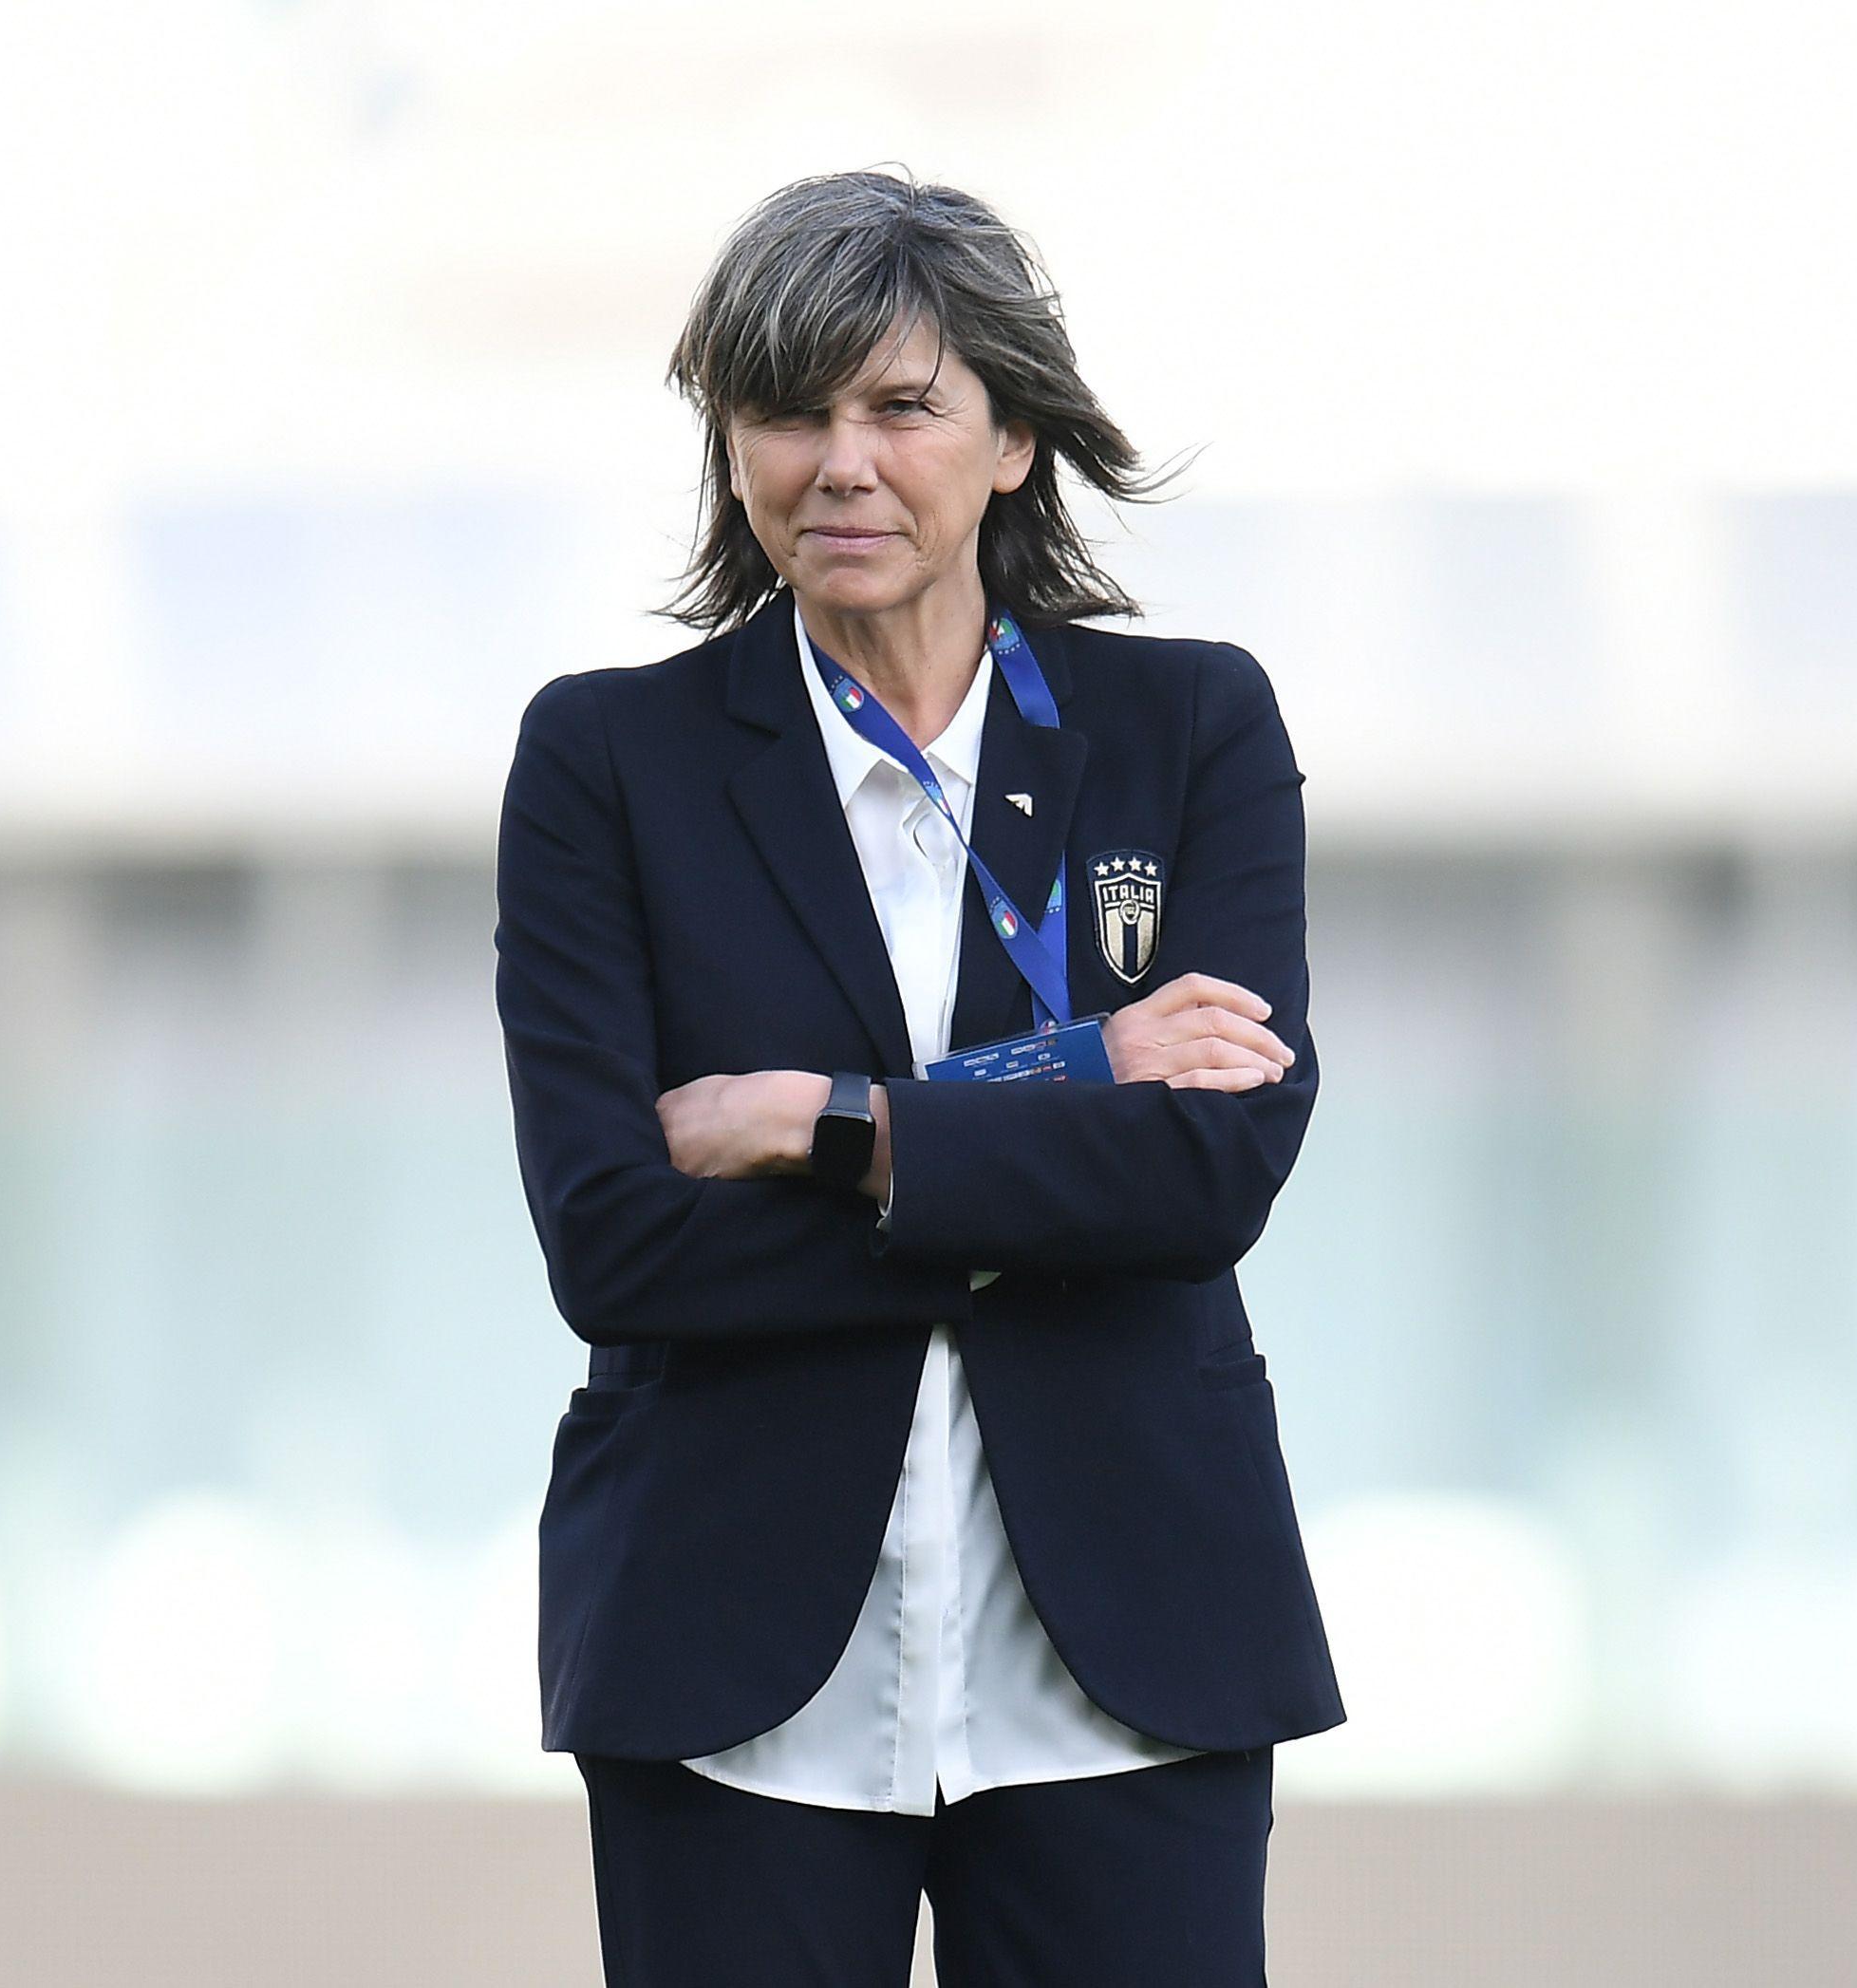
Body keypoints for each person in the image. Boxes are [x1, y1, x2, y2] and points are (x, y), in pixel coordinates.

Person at [493, 168, 1343, 1987]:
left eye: (899, 404)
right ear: (732, 449)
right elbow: (615, 1243)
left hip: (1126, 1654)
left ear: (1014, 437)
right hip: (734, 1664)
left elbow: (1208, 1182)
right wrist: (1073, 1100)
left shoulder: (1187, 729)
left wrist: (831, 1126)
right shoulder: (606, 764)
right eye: (787, 411)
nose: (841, 462)